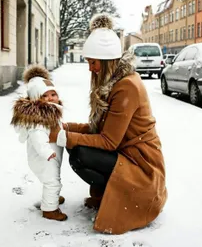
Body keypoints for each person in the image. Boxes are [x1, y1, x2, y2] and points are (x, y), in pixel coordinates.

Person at [50, 13, 167, 234]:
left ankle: (122, 197)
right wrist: (68, 128)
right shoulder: (112, 82)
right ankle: (109, 195)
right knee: (76, 152)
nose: (90, 68)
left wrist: (68, 137)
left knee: (81, 154)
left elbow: (108, 140)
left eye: (92, 63)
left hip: (142, 164)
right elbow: (99, 129)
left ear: (106, 62)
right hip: (128, 153)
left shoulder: (127, 87)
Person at [11, 65, 67, 221]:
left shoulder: (51, 112)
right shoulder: (39, 120)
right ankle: (50, 209)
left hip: (50, 158)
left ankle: (51, 198)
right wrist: (47, 152)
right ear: (36, 99)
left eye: (53, 94)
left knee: (52, 180)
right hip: (44, 158)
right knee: (52, 182)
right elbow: (38, 137)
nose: (50, 98)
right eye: (45, 96)